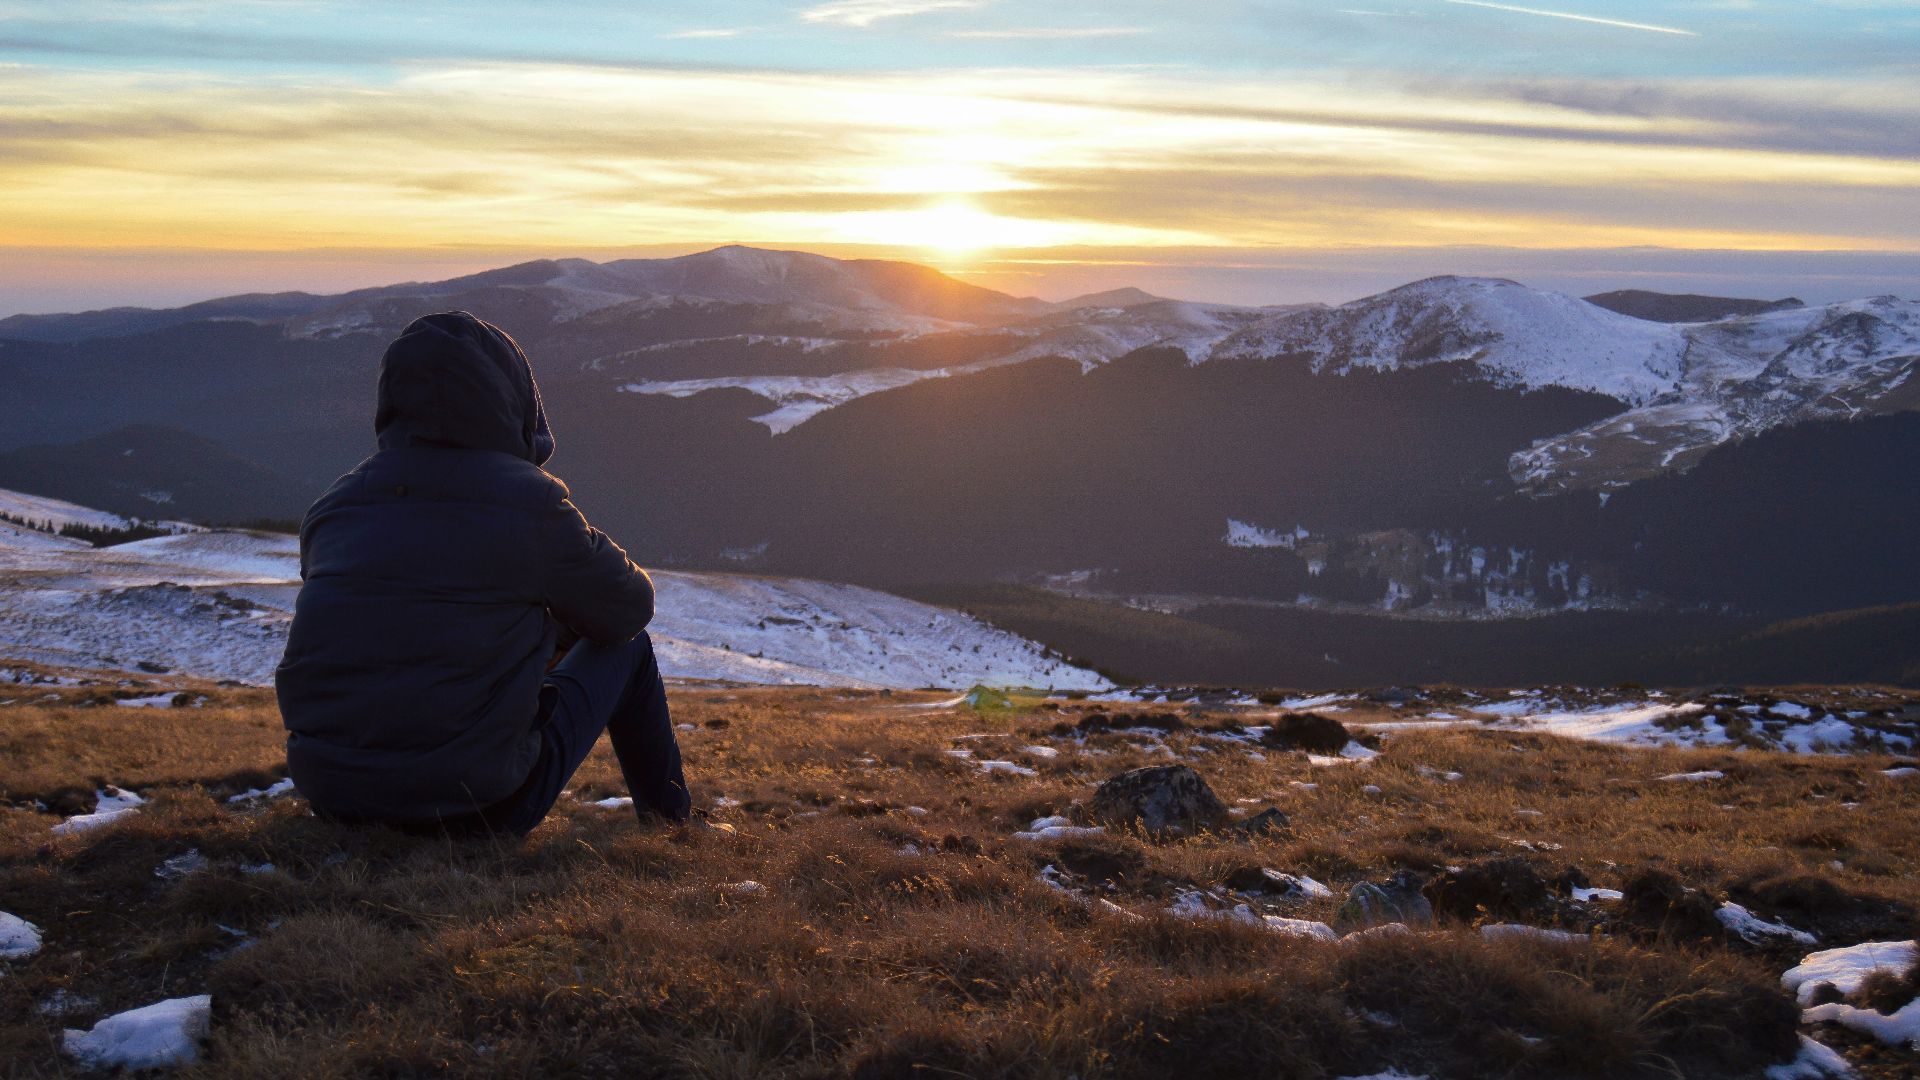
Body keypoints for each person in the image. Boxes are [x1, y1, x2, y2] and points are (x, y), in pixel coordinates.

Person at [275, 311, 689, 834]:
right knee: (627, 646)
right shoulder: (527, 503)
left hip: (333, 795)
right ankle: (673, 823)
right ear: (515, 399)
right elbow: (627, 607)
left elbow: (391, 626)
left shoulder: (334, 506)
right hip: (475, 808)